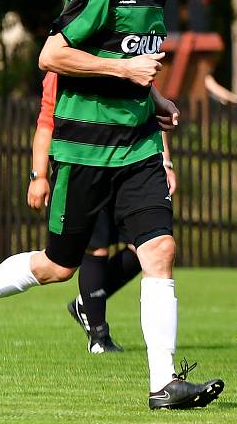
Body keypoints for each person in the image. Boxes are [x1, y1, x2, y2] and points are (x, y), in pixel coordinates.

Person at [0, 0, 224, 411]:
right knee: (57, 267)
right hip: (84, 155)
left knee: (159, 251)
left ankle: (163, 384)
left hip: (137, 150)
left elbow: (134, 61)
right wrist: (123, 72)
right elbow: (50, 55)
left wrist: (155, 100)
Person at [27, 70, 177, 354]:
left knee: (148, 248)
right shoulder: (65, 65)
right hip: (86, 164)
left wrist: (165, 163)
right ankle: (98, 335)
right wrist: (39, 175)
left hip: (129, 167)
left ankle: (87, 302)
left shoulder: (126, 54)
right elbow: (47, 122)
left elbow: (149, 114)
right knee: (92, 251)